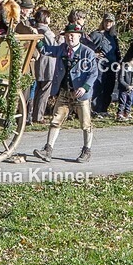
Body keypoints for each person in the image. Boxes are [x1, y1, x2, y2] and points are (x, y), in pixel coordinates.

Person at [33, 24, 99, 163]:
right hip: (64, 91)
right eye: (67, 35)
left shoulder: (87, 53)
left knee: (85, 123)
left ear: (79, 36)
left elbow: (93, 73)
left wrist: (85, 87)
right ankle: (48, 149)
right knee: (55, 121)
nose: (70, 38)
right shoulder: (61, 49)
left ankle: (86, 150)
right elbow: (45, 49)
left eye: (72, 35)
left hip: (80, 93)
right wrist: (35, 38)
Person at [30, 8, 57, 124]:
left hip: (36, 64)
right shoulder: (47, 32)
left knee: (37, 90)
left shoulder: (34, 30)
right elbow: (54, 46)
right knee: (45, 91)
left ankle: (32, 114)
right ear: (45, 18)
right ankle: (39, 116)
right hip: (47, 65)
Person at [89, 14, 120, 117]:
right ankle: (96, 110)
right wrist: (94, 54)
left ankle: (104, 110)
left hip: (112, 66)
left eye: (110, 22)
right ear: (103, 22)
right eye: (106, 21)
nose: (108, 24)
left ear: (113, 23)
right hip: (100, 65)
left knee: (109, 88)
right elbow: (84, 47)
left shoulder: (113, 36)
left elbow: (116, 51)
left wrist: (119, 62)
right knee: (98, 87)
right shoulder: (96, 34)